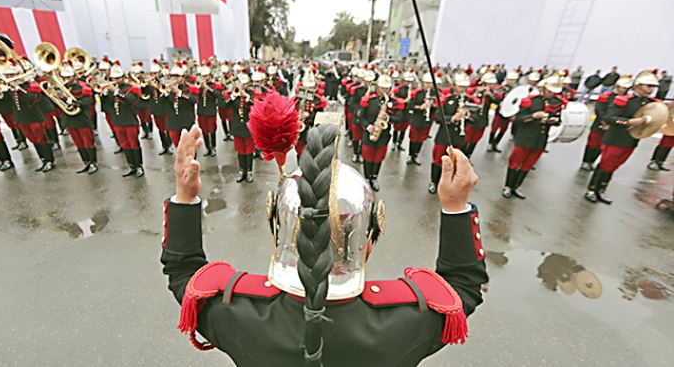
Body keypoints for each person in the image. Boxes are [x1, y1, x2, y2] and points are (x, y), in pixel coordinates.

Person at [160, 123, 487, 365]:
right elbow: (463, 288)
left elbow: (183, 272)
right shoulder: (407, 318)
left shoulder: (238, 311)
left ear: (277, 227)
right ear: (371, 234)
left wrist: (185, 195)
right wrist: (455, 206)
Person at [584, 71, 659, 204]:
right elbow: (609, 118)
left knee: (614, 166)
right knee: (605, 164)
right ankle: (592, 189)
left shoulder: (651, 104)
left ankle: (601, 189)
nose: (651, 90)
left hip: (631, 140)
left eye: (652, 87)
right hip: (615, 139)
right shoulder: (624, 101)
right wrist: (629, 122)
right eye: (648, 86)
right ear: (637, 86)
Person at [502, 76, 565, 199]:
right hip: (525, 138)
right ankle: (508, 186)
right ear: (544, 89)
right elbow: (518, 119)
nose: (552, 94)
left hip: (540, 140)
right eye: (550, 91)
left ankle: (516, 186)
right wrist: (533, 116)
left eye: (554, 93)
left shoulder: (556, 103)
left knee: (527, 165)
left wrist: (554, 121)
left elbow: (559, 121)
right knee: (514, 163)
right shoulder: (531, 101)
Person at [358, 74, 405, 192]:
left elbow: (400, 118)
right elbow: (360, 118)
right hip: (369, 133)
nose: (385, 90)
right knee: (367, 158)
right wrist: (368, 127)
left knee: (378, 158)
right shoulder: (369, 100)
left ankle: (374, 178)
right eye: (382, 88)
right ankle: (366, 178)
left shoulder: (393, 102)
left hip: (383, 136)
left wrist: (388, 118)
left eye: (387, 88)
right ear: (377, 87)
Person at [10, 60, 56, 172]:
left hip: (34, 116)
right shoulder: (10, 88)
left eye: (12, 75)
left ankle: (49, 161)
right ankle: (43, 160)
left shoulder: (31, 85)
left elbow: (31, 99)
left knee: (41, 139)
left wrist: (18, 88)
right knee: (33, 140)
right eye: (8, 75)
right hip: (22, 118)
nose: (10, 77)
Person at [428, 72, 469, 194]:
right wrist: (452, 118)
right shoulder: (446, 100)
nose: (463, 89)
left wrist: (469, 116)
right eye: (461, 86)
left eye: (465, 87)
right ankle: (433, 182)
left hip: (458, 136)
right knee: (438, 160)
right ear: (455, 85)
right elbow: (438, 118)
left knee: (453, 161)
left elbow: (476, 120)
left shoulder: (468, 101)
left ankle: (447, 183)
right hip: (444, 136)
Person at [580, 76, 631, 171]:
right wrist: (604, 121)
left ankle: (592, 162)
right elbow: (599, 109)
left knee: (601, 147)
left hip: (611, 127)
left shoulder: (626, 99)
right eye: (623, 88)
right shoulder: (606, 96)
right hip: (599, 125)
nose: (624, 90)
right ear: (617, 86)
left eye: (626, 88)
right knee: (592, 144)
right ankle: (586, 161)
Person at [59, 61, 98, 174]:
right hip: (69, 119)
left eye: (68, 77)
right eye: (64, 77)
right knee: (78, 143)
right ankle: (86, 162)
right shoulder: (62, 88)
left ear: (74, 76)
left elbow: (86, 102)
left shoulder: (83, 86)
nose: (66, 79)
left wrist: (67, 99)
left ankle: (93, 163)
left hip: (82, 119)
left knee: (88, 142)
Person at [107, 61, 144, 177]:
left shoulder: (131, 88)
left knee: (134, 144)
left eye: (118, 78)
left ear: (123, 77)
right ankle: (131, 166)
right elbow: (107, 105)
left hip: (129, 121)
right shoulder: (111, 91)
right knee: (124, 144)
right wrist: (104, 94)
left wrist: (116, 92)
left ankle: (139, 166)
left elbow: (131, 100)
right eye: (113, 78)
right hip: (117, 121)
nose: (115, 80)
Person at [224, 73, 259, 183]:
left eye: (244, 84)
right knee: (240, 151)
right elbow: (224, 105)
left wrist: (247, 97)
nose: (242, 86)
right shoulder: (234, 94)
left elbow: (257, 106)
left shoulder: (252, 94)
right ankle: (241, 171)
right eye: (241, 84)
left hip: (248, 127)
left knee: (249, 151)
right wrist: (233, 96)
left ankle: (249, 172)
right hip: (237, 126)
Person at [462, 72, 496, 157]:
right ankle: (462, 156)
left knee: (475, 140)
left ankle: (468, 155)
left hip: (482, 121)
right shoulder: (475, 90)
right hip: (472, 119)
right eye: (490, 83)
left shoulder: (491, 93)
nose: (492, 85)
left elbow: (497, 102)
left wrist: (490, 95)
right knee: (466, 139)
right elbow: (467, 101)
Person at [406, 71, 436, 166]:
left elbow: (439, 108)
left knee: (421, 139)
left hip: (426, 121)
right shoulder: (417, 93)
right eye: (426, 83)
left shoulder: (435, 94)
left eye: (430, 83)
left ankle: (416, 155)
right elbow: (410, 106)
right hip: (416, 119)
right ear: (423, 83)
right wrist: (420, 107)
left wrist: (433, 105)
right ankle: (410, 155)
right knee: (413, 139)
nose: (428, 85)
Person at [165, 65, 199, 149]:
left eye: (177, 76)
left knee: (190, 148)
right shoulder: (167, 89)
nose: (174, 78)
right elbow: (160, 104)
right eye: (172, 76)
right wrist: (166, 93)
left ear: (183, 77)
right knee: (179, 148)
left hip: (187, 122)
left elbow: (194, 100)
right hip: (173, 123)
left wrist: (178, 92)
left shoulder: (189, 87)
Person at [487, 71, 519, 153]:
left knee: (503, 130)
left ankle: (495, 144)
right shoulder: (501, 88)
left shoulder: (517, 90)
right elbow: (495, 98)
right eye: (510, 79)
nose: (511, 81)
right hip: (500, 112)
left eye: (513, 80)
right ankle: (490, 144)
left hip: (509, 113)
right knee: (494, 128)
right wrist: (500, 101)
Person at [196, 63, 223, 157]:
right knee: (204, 130)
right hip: (201, 111)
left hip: (210, 111)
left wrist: (208, 88)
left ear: (209, 76)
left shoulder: (214, 85)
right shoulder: (198, 85)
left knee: (212, 130)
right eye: (203, 75)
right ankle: (208, 148)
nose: (204, 77)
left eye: (206, 75)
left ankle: (213, 147)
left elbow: (218, 95)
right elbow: (194, 94)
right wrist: (200, 88)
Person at [390, 71, 412, 151]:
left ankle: (400, 143)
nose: (408, 83)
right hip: (400, 111)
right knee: (397, 128)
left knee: (404, 128)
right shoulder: (398, 88)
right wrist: (401, 101)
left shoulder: (411, 89)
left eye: (410, 81)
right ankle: (394, 142)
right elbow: (393, 97)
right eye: (407, 81)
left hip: (407, 112)